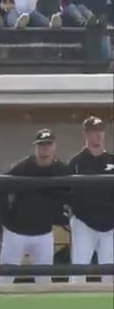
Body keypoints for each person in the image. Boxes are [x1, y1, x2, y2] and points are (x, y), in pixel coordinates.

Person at [0, 129, 69, 285]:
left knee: (44, 281)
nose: (45, 149)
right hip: (16, 232)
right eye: (41, 145)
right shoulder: (23, 167)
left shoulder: (61, 169)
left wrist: (58, 217)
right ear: (36, 147)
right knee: (4, 279)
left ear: (54, 146)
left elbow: (68, 195)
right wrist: (7, 219)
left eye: (48, 145)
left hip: (43, 233)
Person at [67, 116, 114, 284]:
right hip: (84, 223)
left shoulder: (111, 160)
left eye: (101, 130)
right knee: (79, 269)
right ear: (86, 134)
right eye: (94, 131)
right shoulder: (76, 162)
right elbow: (67, 192)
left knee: (110, 273)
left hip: (110, 225)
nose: (98, 135)